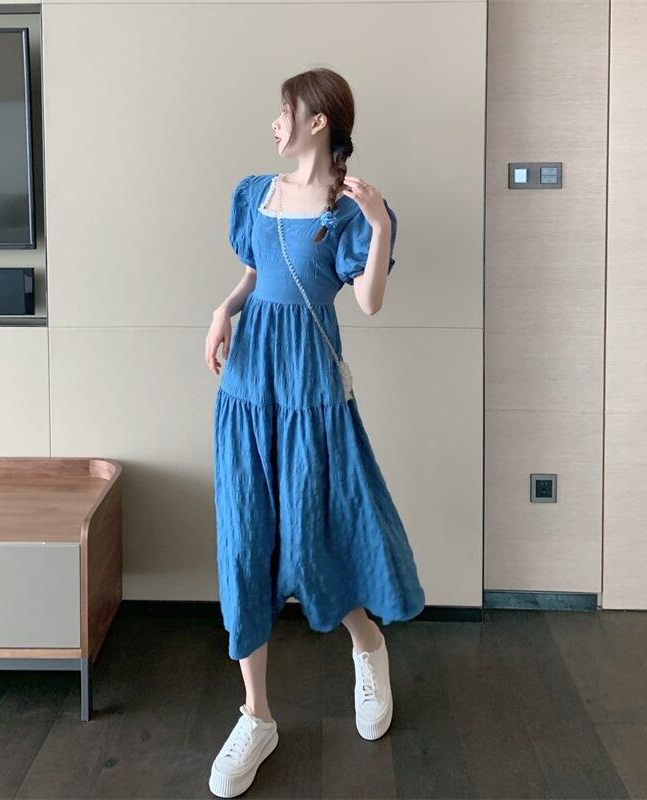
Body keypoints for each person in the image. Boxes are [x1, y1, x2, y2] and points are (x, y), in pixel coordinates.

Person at [204, 67, 425, 798]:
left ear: (318, 120)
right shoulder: (254, 194)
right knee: (245, 546)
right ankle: (256, 715)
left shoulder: (352, 208)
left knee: (313, 538)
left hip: (309, 395)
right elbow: (253, 273)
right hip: (247, 391)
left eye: (286, 110)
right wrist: (224, 310)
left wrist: (381, 225)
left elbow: (368, 303)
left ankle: (368, 647)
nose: (276, 122)